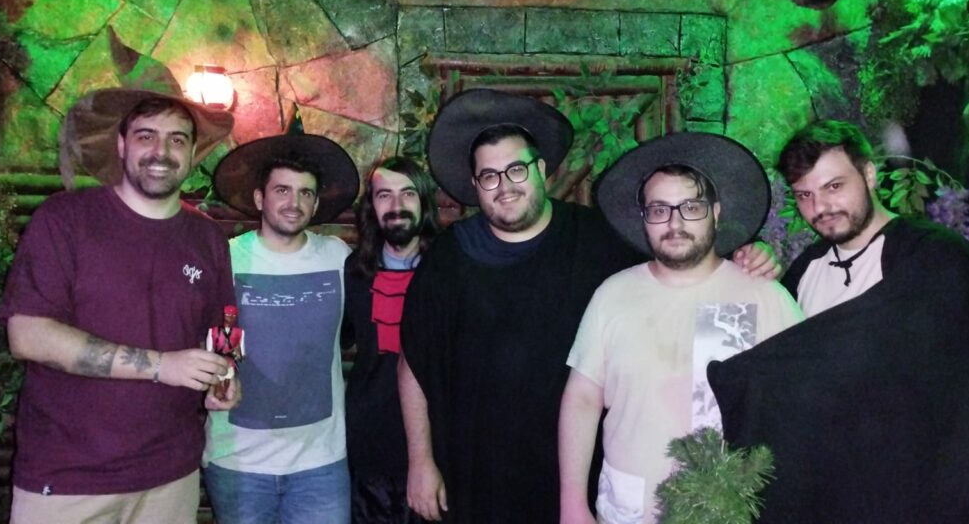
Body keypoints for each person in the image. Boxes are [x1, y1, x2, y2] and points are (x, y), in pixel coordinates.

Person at [397, 88, 780, 523]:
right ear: (475, 186)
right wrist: (420, 461)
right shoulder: (450, 258)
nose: (505, 186)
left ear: (541, 170)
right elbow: (414, 362)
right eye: (489, 176)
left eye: (516, 169)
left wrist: (748, 256)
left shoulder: (598, 239)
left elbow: (679, 260)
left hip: (578, 473)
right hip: (474, 470)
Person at [708, 120, 969, 523]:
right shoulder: (806, 269)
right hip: (829, 494)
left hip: (909, 496)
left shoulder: (934, 258)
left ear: (869, 175)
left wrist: (739, 377)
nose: (820, 208)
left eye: (834, 186)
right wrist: (756, 280)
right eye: (805, 195)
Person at [0, 88, 239, 524]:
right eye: (146, 136)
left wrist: (225, 376)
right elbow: (28, 335)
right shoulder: (64, 218)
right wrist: (162, 365)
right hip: (69, 478)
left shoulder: (207, 238)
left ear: (192, 154)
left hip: (171, 475)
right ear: (122, 145)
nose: (161, 151)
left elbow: (223, 325)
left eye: (177, 139)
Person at [558, 133, 804, 524]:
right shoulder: (613, 295)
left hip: (727, 514)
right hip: (629, 512)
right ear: (644, 219)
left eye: (690, 207)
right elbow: (582, 399)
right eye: (659, 209)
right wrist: (572, 504)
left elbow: (803, 408)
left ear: (715, 212)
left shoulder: (765, 297)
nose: (675, 223)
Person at [203, 134, 361, 523]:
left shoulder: (338, 257)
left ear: (316, 204)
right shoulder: (227, 259)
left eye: (306, 193)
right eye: (282, 190)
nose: (294, 203)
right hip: (239, 462)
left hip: (321, 464)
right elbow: (204, 338)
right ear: (260, 198)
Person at [342, 156, 441, 524]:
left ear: (424, 202)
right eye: (385, 195)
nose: (397, 205)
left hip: (439, 447)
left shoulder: (452, 268)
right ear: (372, 206)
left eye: (408, 193)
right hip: (370, 447)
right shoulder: (354, 271)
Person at [206, 305, 246, 400]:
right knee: (217, 380)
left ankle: (225, 394)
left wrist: (239, 356)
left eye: (233, 315)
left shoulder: (239, 332)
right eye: (228, 315)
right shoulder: (213, 331)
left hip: (230, 361)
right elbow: (209, 350)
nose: (230, 317)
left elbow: (242, 350)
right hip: (218, 360)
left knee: (228, 378)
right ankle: (217, 393)